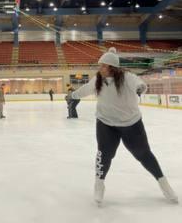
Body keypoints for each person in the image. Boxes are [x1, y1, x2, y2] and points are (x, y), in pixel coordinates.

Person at [70, 47, 178, 205]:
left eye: (103, 65)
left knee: (144, 154)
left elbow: (138, 83)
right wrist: (72, 95)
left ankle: (164, 184)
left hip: (131, 123)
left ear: (111, 67)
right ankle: (99, 184)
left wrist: (141, 88)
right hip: (105, 123)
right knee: (104, 154)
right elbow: (85, 90)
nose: (100, 68)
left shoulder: (127, 77)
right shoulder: (98, 79)